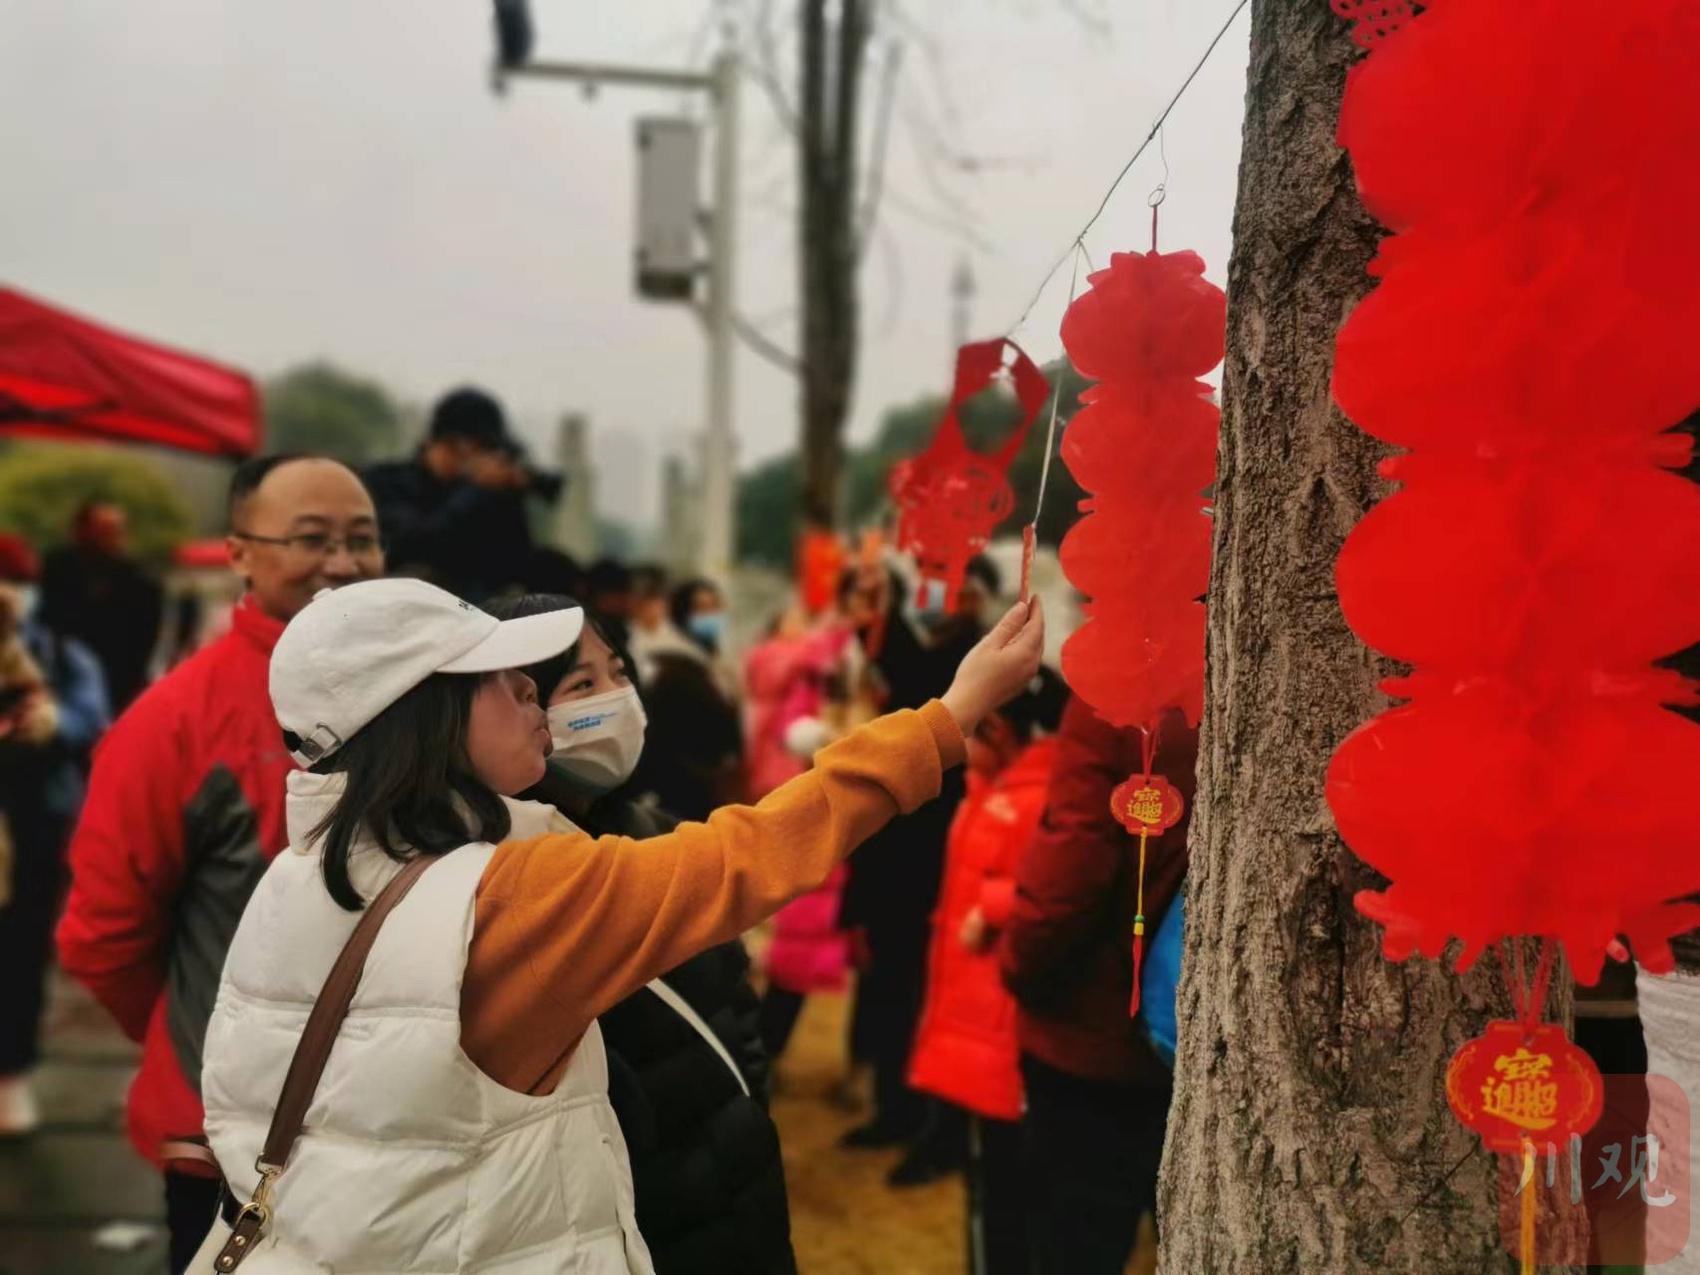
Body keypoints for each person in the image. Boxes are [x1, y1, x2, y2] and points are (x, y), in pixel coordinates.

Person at [191, 576, 1042, 1274]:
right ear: (426, 713)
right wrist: (951, 714)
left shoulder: (294, 876)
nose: (534, 695)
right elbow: (746, 856)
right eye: (504, 677)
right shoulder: (516, 892)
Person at [55, 455, 383, 1274]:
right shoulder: (172, 723)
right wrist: (196, 1036)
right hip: (235, 1147)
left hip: (397, 1133)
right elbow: (104, 936)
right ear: (240, 552)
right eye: (312, 540)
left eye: (362, 538)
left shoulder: (425, 697)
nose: (342, 563)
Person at [493, 593, 797, 1275]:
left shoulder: (661, 835)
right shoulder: (504, 890)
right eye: (582, 684)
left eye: (620, 670)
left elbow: (734, 1004)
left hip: (740, 1193)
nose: (618, 695)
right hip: (640, 1226)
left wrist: (746, 1111)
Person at [1001, 696, 1197, 1275]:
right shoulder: (1264, 676)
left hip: (1091, 1043)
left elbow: (1067, 878)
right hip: (1196, 1042)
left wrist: (1020, 970)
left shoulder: (1118, 703)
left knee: (1076, 1243)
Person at [837, 557, 996, 1166]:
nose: (935, 593)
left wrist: (881, 618)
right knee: (887, 990)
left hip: (941, 860)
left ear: (975, 596)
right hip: (891, 855)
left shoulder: (975, 667)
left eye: (947, 578)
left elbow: (920, 687)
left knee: (933, 998)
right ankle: (893, 1108)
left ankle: (940, 1128)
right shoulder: (916, 659)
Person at [908, 667, 1065, 1262]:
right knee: (992, 1182)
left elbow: (1062, 885)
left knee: (1008, 1194)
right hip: (976, 1014)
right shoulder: (993, 790)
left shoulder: (1038, 795)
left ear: (997, 729)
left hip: (1003, 1023)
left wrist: (996, 905)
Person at [0, 534, 110, 1135]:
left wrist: (52, 723)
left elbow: (92, 715)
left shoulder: (61, 653)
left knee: (19, 953)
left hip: (34, 821)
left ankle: (11, 1075)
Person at [362, 386, 544, 601]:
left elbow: (516, 566)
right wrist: (475, 492)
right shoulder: (386, 482)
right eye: (485, 448)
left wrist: (510, 498)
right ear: (451, 442)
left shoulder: (488, 497)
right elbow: (411, 546)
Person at [627, 578, 743, 822]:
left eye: (715, 608)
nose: (711, 616)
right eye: (701, 609)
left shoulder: (709, 663)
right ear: (682, 614)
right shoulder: (671, 667)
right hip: (681, 793)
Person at [40, 498, 164, 710]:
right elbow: (48, 619)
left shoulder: (141, 580)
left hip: (119, 679)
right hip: (63, 675)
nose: (114, 537)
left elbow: (145, 637)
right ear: (81, 531)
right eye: (104, 530)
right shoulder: (58, 568)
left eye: (118, 529)